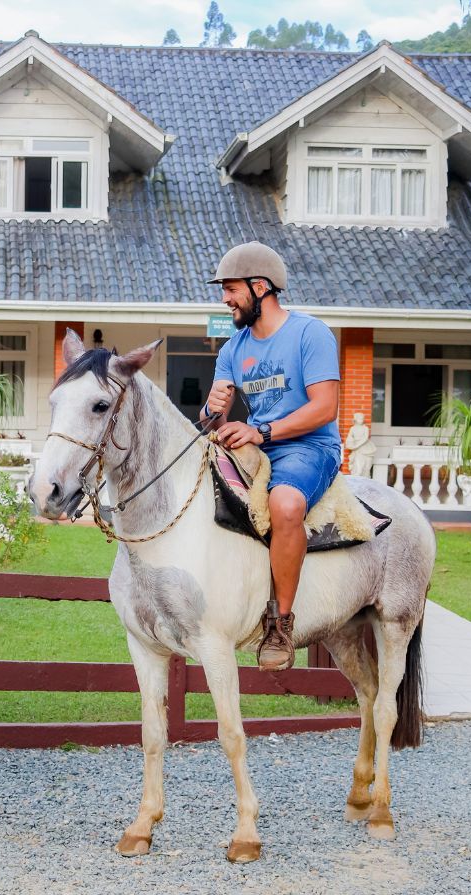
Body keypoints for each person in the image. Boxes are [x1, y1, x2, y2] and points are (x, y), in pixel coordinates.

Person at [203, 241, 342, 671]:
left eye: (230, 289)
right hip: (256, 446)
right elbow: (212, 422)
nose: (224, 299)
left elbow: (325, 408)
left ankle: (280, 622)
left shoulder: (309, 333)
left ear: (260, 287)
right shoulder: (232, 349)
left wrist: (260, 431)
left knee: (285, 505)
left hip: (309, 447)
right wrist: (211, 408)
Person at [345, 412, 376, 478]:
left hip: (365, 448)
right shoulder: (353, 428)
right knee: (358, 467)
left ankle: (366, 479)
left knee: (366, 467)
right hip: (358, 450)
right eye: (360, 418)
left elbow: (365, 438)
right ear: (355, 419)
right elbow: (349, 438)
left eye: (362, 418)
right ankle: (357, 480)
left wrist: (357, 446)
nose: (362, 420)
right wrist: (350, 444)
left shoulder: (365, 428)